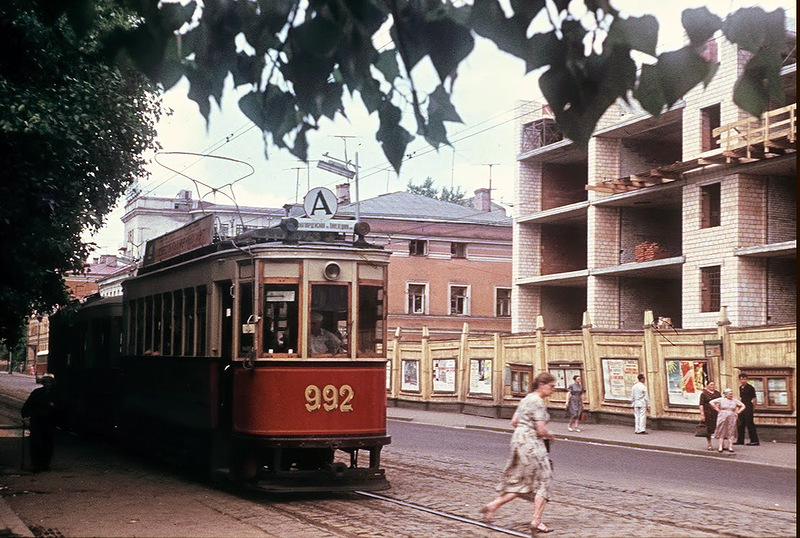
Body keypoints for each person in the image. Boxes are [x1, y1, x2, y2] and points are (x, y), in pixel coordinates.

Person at [480, 372, 556, 534]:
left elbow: (514, 421)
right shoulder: (539, 402)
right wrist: (550, 435)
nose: (553, 389)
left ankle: (492, 506)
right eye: (551, 386)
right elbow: (541, 430)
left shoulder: (526, 399)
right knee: (545, 480)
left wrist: (525, 431)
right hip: (532, 444)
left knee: (521, 481)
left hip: (518, 441)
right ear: (542, 385)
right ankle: (536, 521)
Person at [20, 374, 59, 472]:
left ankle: (45, 464)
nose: (48, 384)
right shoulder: (36, 393)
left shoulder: (56, 395)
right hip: (37, 422)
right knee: (36, 443)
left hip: (49, 423)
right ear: (43, 383)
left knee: (47, 444)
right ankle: (36, 464)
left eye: (49, 382)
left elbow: (63, 408)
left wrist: (55, 408)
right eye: (46, 382)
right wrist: (25, 416)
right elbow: (27, 406)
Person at [710, 388, 745, 452]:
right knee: (721, 430)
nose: (731, 395)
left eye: (731, 394)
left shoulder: (734, 400)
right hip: (723, 415)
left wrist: (738, 412)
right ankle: (720, 447)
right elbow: (711, 402)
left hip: (732, 416)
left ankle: (730, 447)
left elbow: (743, 406)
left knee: (731, 430)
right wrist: (717, 409)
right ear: (726, 394)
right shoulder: (721, 399)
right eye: (729, 394)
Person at [735, 373, 759, 446]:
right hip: (742, 406)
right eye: (742, 379)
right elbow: (741, 398)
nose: (743, 381)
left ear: (747, 379)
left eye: (744, 379)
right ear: (739, 380)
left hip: (748, 405)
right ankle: (740, 440)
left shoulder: (750, 387)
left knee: (750, 423)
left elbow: (754, 398)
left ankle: (754, 441)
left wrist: (753, 408)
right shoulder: (740, 388)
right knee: (740, 423)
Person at [698, 381, 721, 450]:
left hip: (716, 412)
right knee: (708, 429)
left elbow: (721, 401)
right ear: (707, 385)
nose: (712, 386)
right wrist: (702, 414)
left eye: (713, 384)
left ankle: (721, 444)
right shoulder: (704, 394)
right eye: (711, 385)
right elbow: (701, 404)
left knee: (719, 428)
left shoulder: (717, 393)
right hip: (708, 412)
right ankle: (709, 444)